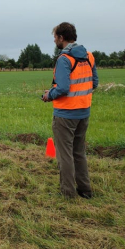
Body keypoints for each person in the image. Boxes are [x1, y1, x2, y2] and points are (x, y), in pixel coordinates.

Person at [42, 22, 98, 199]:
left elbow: (63, 88)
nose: (54, 40)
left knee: (64, 155)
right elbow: (94, 83)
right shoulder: (89, 56)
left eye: (55, 37)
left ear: (61, 37)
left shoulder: (64, 59)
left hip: (65, 115)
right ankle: (85, 190)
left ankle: (68, 193)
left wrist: (49, 94)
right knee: (79, 152)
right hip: (84, 112)